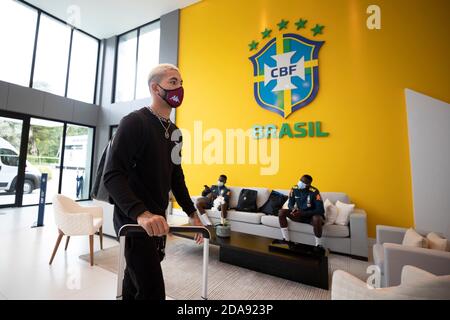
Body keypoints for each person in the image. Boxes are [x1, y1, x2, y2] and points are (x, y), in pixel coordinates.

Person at [103, 63, 203, 300]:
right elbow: (112, 175)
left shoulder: (175, 132)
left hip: (158, 220)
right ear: (155, 88)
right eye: (172, 82)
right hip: (135, 222)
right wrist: (142, 214)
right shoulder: (135, 122)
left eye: (181, 83)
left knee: (134, 283)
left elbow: (176, 177)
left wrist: (192, 213)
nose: (179, 88)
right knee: (152, 292)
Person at [277, 174, 325, 248]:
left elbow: (320, 210)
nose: (300, 183)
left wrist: (303, 213)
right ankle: (286, 240)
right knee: (281, 212)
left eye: (303, 182)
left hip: (311, 217)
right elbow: (290, 204)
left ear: (308, 184)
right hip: (299, 215)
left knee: (317, 218)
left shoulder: (314, 191)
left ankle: (318, 245)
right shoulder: (294, 188)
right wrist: (293, 209)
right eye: (300, 180)